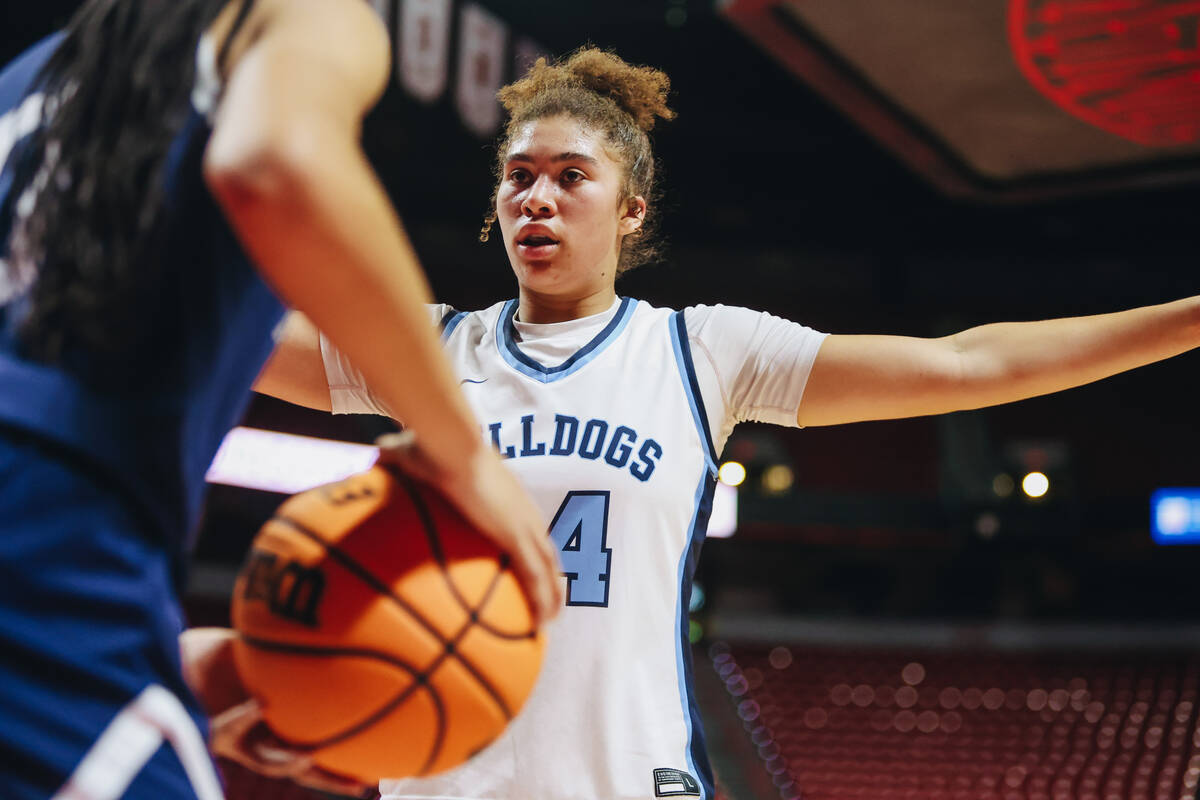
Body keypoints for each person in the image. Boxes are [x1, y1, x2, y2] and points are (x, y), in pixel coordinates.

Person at [256, 47, 1200, 800]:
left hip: (627, 780)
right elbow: (226, 340)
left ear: (630, 213)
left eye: (570, 176)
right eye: (518, 175)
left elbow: (965, 364)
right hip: (440, 779)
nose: (535, 197)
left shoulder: (703, 353)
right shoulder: (426, 350)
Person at [0, 0, 562, 797]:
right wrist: (464, 454)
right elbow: (274, 164)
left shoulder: (40, 74)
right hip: (52, 539)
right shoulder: (301, 12)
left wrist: (244, 668)